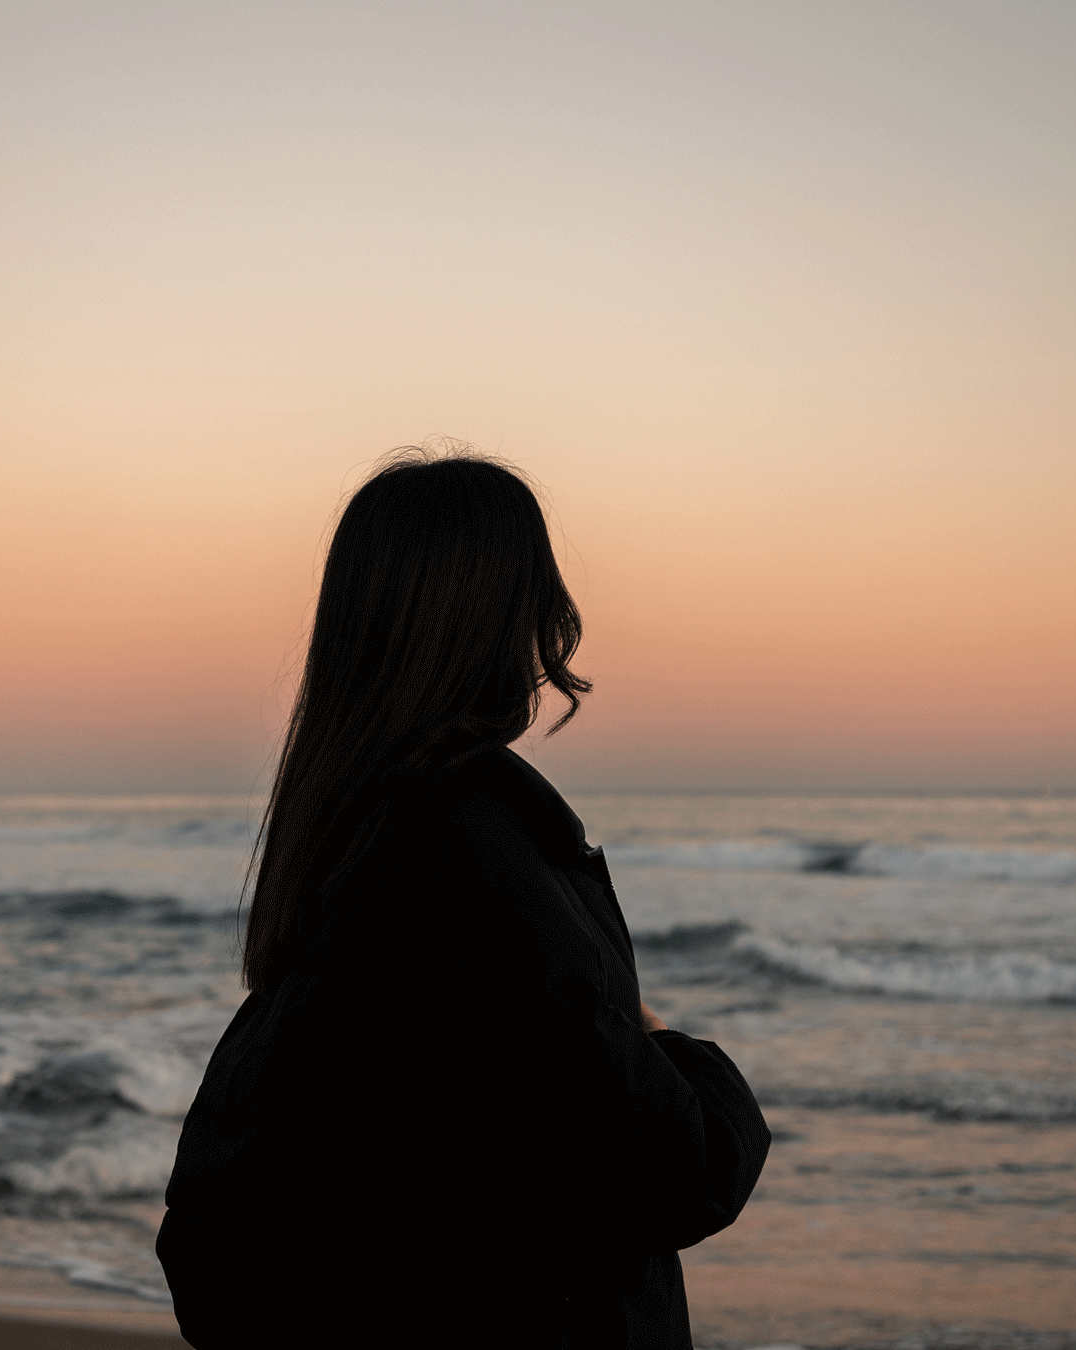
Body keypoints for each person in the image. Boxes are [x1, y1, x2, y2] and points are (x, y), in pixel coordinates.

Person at [157, 449, 770, 1348]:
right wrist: (661, 1036)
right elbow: (682, 1172)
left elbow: (215, 1232)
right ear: (503, 617)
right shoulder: (471, 855)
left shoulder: (348, 839)